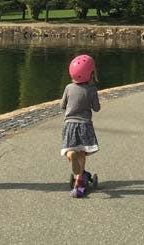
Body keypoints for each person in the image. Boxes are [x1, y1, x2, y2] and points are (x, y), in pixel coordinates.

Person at [61, 54, 101, 198]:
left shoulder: (68, 87)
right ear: (90, 73)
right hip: (84, 125)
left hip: (69, 125)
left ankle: (70, 155)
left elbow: (62, 106)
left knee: (70, 148)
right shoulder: (91, 89)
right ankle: (79, 180)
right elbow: (96, 108)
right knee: (83, 152)